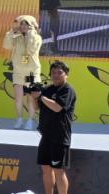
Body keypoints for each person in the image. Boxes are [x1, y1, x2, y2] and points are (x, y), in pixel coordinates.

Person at [30, 61, 76, 194]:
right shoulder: (48, 89)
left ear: (66, 74)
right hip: (46, 135)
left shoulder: (67, 90)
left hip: (60, 136)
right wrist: (33, 96)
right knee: (45, 168)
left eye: (59, 72)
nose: (56, 75)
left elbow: (57, 107)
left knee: (58, 171)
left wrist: (41, 96)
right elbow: (36, 107)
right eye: (53, 72)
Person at [3, 15, 42, 130]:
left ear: (31, 26)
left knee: (30, 97)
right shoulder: (17, 37)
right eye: (22, 24)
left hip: (30, 72)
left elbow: (31, 49)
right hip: (18, 72)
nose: (23, 26)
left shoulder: (37, 37)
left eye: (26, 24)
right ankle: (19, 119)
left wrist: (30, 35)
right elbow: (6, 46)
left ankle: (30, 120)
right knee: (18, 98)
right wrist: (11, 32)